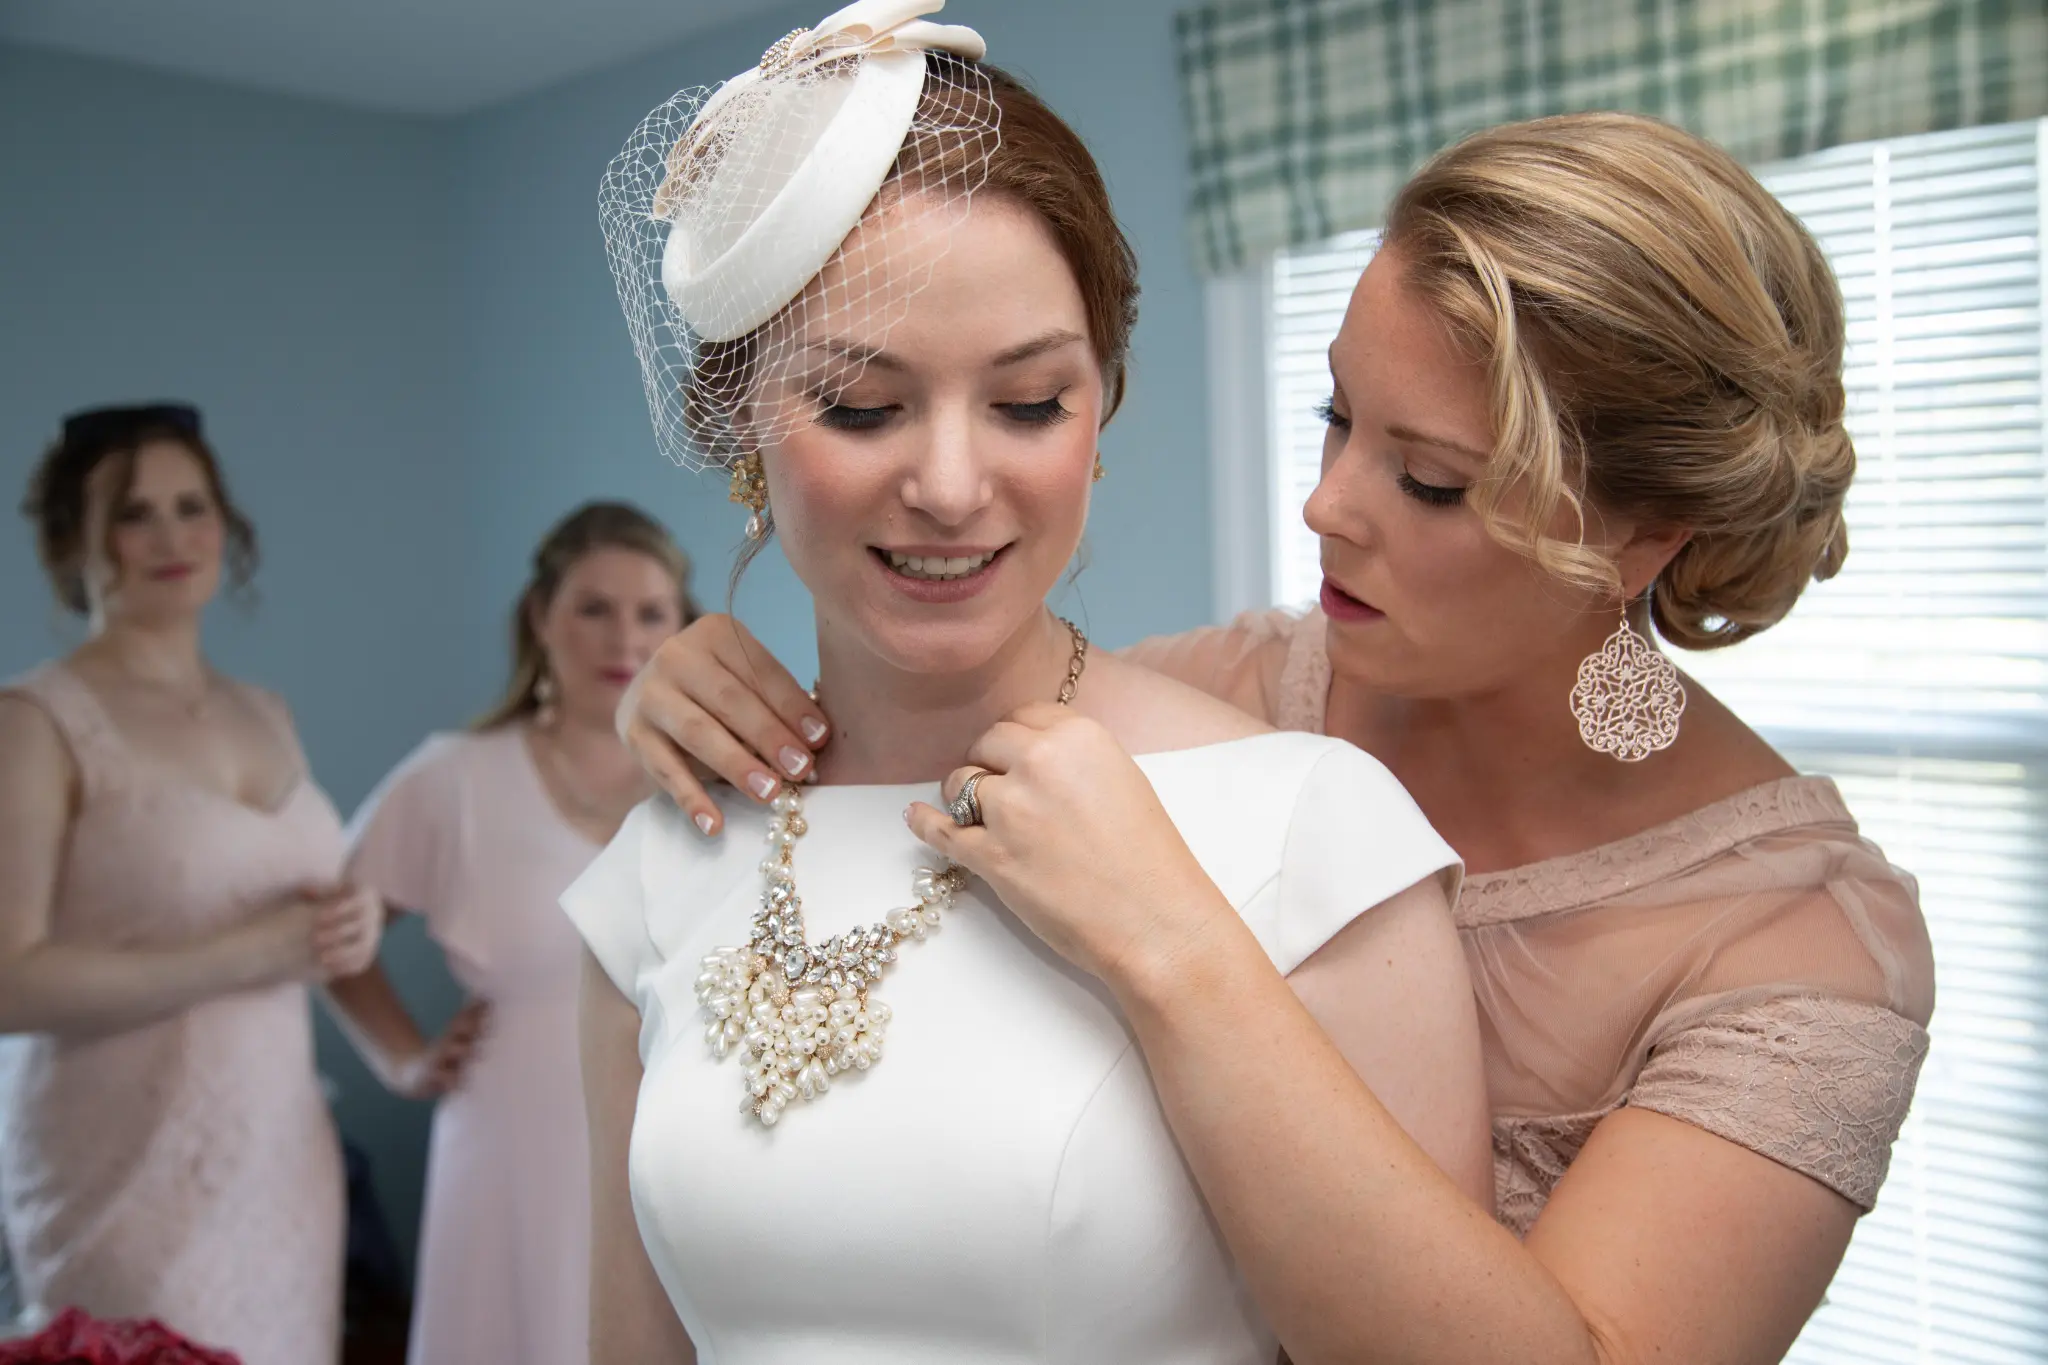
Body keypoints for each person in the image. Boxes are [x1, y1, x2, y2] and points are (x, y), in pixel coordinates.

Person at [620, 110, 1939, 1364]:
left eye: (1429, 481)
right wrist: (685, 697)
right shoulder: (1217, 698)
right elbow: (899, 751)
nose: (1325, 506)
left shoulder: (1793, 947)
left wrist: (1179, 947)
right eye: (1336, 417)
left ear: (1642, 538)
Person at [564, 5, 1492, 1362]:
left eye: (1027, 403)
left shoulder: (1311, 834)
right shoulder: (660, 863)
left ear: (1098, 411)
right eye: (862, 407)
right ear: (742, 425)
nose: (950, 487)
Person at [0, 402, 382, 1365]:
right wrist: (251, 953)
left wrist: (353, 925)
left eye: (191, 506)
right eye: (134, 513)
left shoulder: (267, 712)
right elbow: (9, 980)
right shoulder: (36, 722)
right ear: (72, 542)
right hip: (121, 1173)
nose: (171, 536)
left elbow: (304, 904)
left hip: (282, 1159)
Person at [325, 501, 696, 1365]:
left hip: (676, 1144)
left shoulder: (717, 785)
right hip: (508, 1145)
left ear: (683, 626)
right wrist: (401, 1058)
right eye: (593, 608)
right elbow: (331, 933)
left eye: (651, 612)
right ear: (541, 617)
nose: (624, 638)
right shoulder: (455, 776)